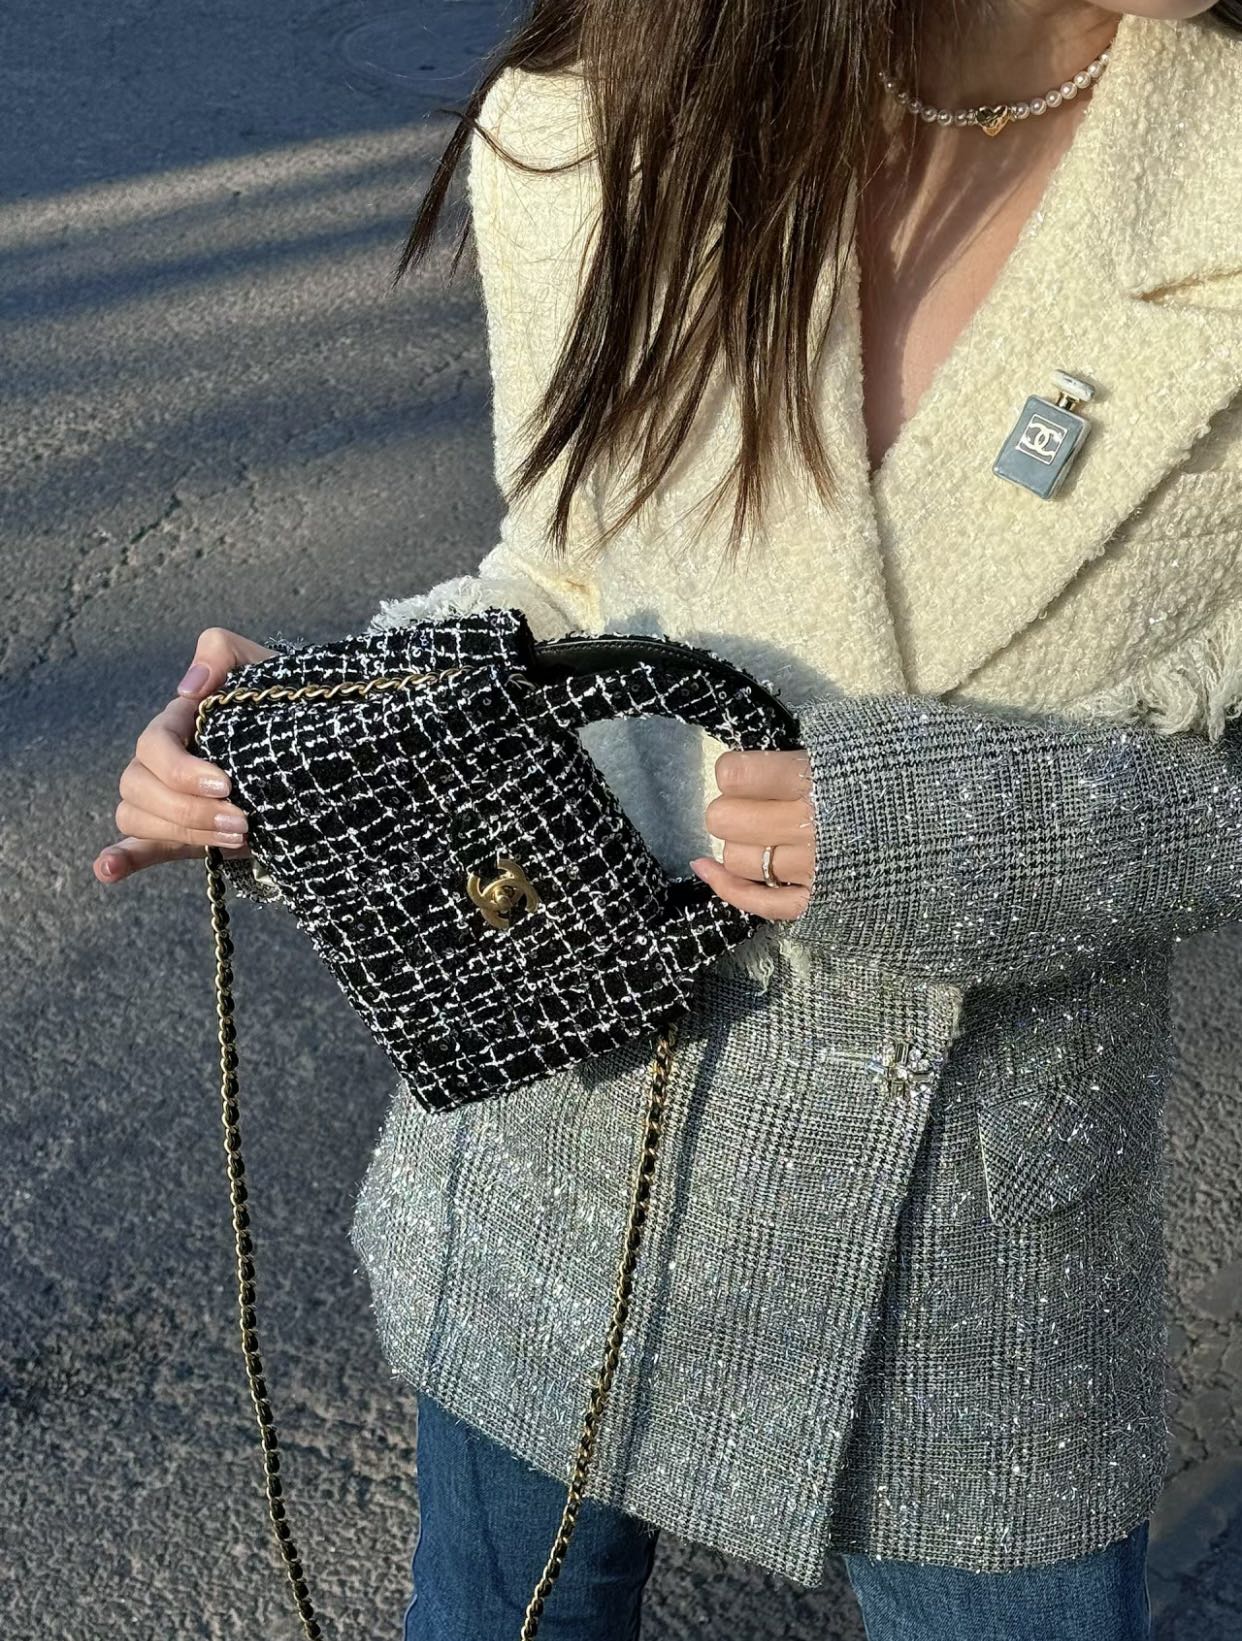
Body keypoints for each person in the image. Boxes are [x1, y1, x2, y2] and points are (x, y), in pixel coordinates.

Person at [94, 2, 1242, 1637]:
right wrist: (324, 741)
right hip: (568, 1147)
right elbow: (564, 580)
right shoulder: (608, 118)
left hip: (978, 1262)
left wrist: (953, 829)